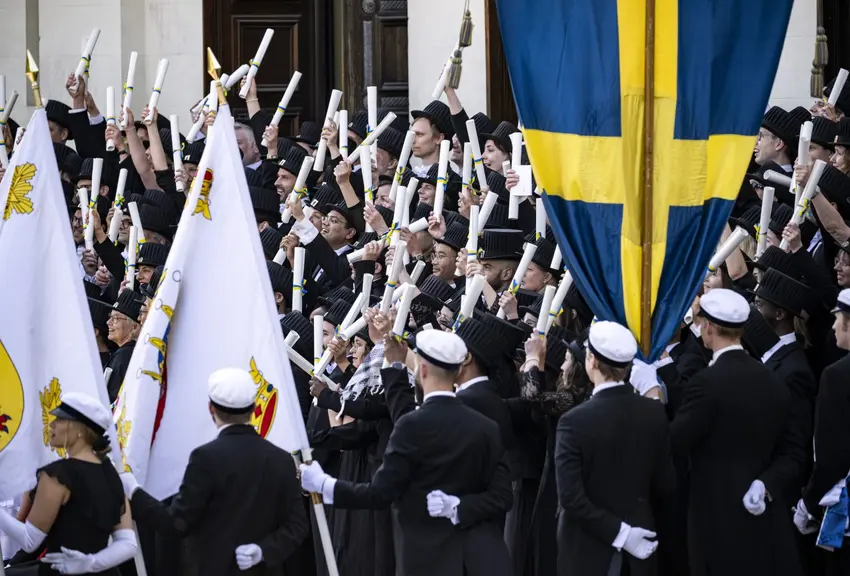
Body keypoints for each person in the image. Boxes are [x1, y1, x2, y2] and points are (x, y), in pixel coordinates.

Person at [299, 330, 513, 576]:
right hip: (482, 561)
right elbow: (503, 496)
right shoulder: (486, 427)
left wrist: (324, 484)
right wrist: (458, 506)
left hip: (428, 561)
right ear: (457, 371)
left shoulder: (411, 426)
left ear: (422, 370)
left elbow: (379, 493)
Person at [120, 368, 309, 576]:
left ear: (211, 408)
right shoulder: (281, 459)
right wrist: (264, 550)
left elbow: (176, 523)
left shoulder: (205, 458)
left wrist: (134, 492)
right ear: (254, 409)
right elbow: (297, 524)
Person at [671, 288, 801, 576]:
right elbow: (793, 453)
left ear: (707, 328)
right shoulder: (774, 380)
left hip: (714, 519)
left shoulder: (706, 383)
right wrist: (766, 484)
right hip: (763, 519)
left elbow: (676, 441)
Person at [555, 321, 676, 575]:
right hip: (641, 545)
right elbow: (665, 484)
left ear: (592, 361)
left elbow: (571, 498)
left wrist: (621, 533)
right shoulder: (654, 413)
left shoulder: (573, 421)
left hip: (588, 550)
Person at [0, 392, 137, 575]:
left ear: (80, 430)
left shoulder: (58, 475)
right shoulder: (112, 474)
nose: (52, 424)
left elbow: (30, 540)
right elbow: (127, 543)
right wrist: (91, 562)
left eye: (60, 419)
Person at [794, 288, 850, 575]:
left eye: (838, 318)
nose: (833, 326)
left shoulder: (837, 376)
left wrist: (809, 504)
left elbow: (831, 458)